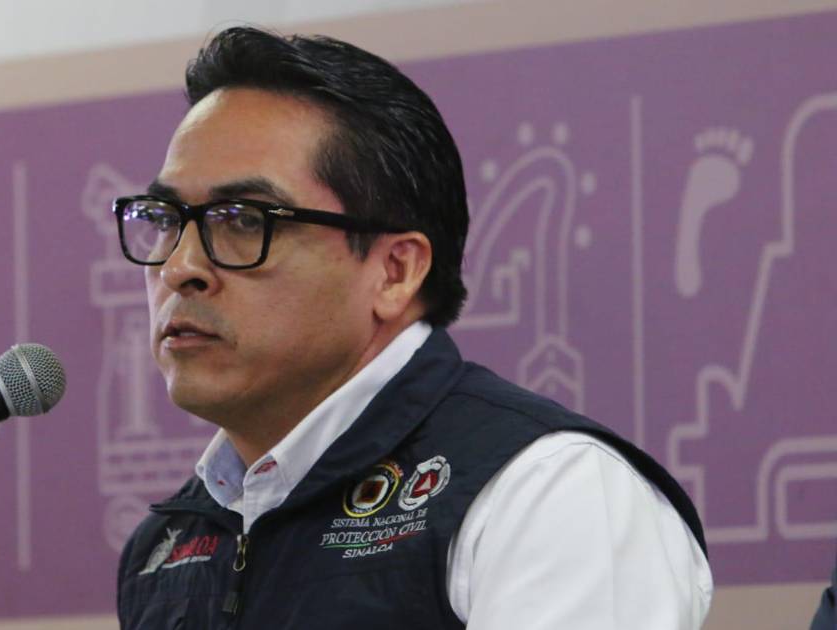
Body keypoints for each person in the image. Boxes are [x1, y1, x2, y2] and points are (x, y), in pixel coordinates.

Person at [114, 26, 712, 629]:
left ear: (394, 272)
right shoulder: (167, 544)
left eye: (244, 220)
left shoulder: (548, 491)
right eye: (165, 219)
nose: (180, 267)